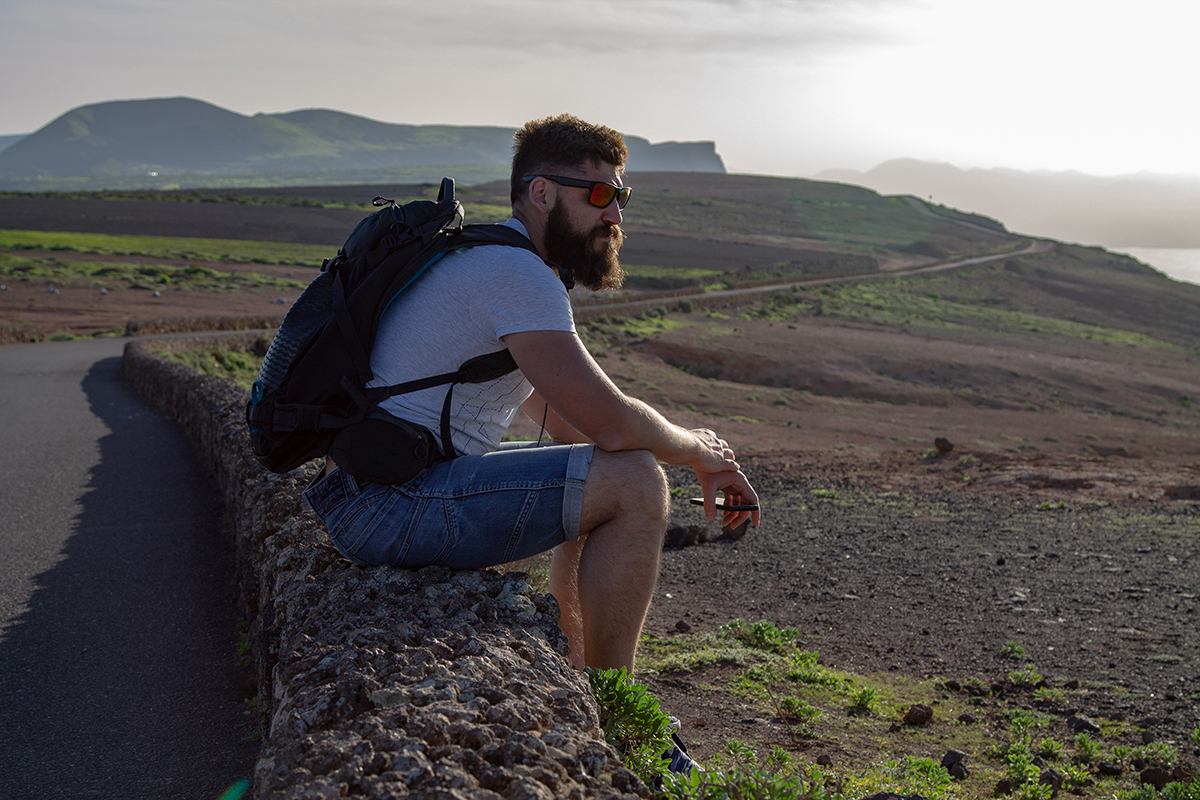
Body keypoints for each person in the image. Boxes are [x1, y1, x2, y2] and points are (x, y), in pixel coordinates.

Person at [303, 113, 760, 769]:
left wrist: (675, 455)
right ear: (541, 193)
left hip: (373, 494)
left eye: (620, 197)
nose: (614, 215)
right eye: (598, 195)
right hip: (389, 506)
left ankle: (577, 672)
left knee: (600, 474)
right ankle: (621, 721)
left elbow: (577, 428)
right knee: (634, 483)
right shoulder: (516, 275)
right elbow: (614, 423)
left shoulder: (489, 261)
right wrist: (702, 453)